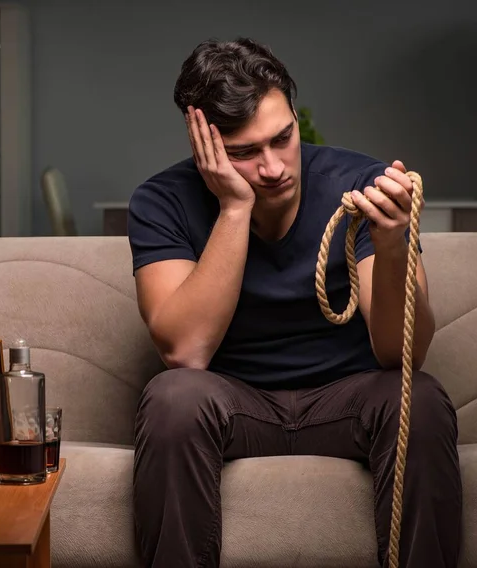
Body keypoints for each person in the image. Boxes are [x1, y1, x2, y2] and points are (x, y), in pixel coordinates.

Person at [127, 37, 462, 568]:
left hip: (348, 402)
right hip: (233, 406)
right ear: (205, 149)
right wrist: (234, 209)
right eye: (243, 153)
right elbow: (185, 351)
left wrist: (394, 243)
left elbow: (403, 356)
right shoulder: (161, 201)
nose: (274, 167)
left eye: (282, 139)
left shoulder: (361, 185)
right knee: (172, 398)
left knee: (418, 399)